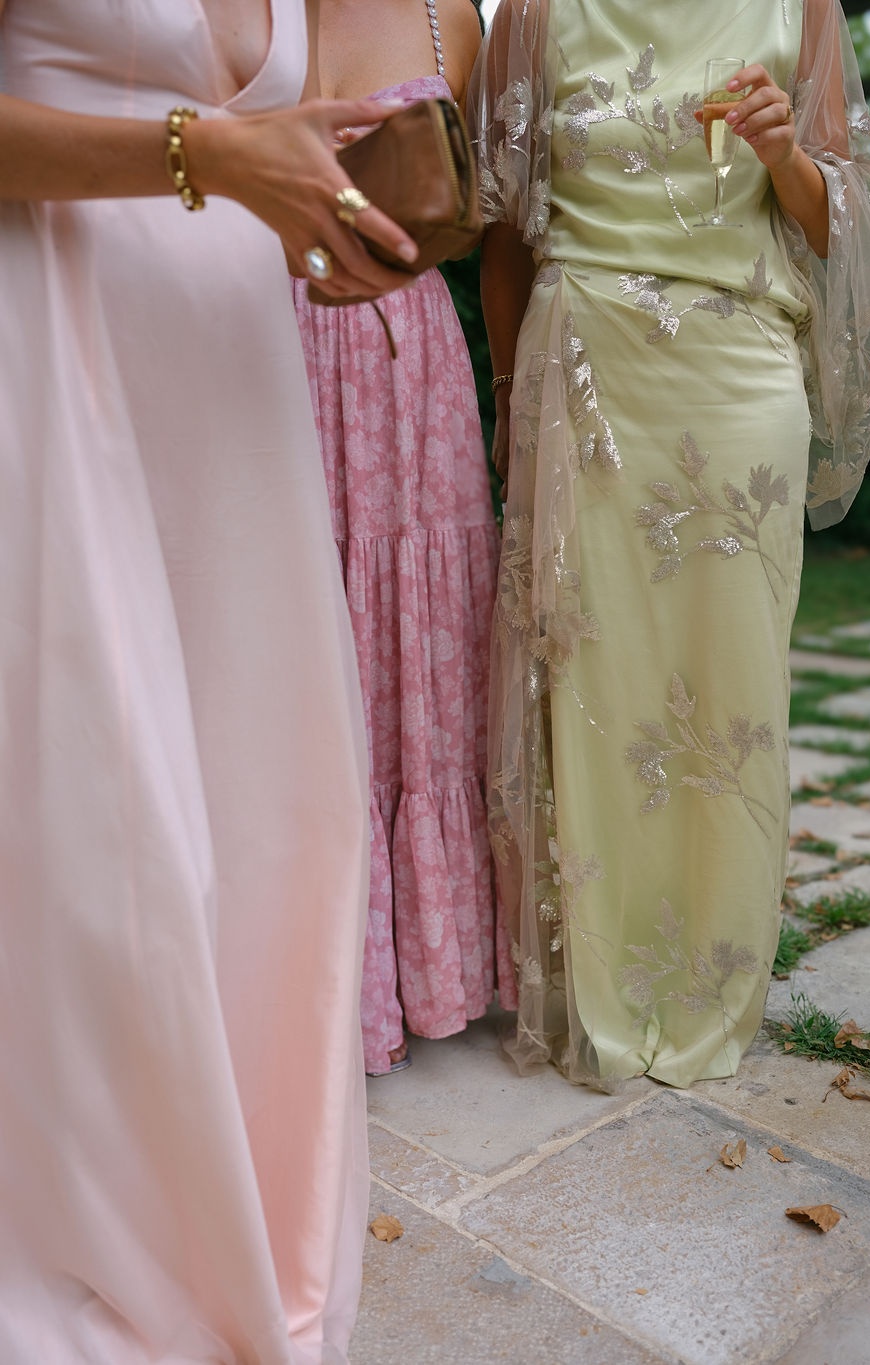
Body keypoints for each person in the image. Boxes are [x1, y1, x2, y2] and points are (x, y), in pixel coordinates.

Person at [0, 2, 418, 1360]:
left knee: (279, 815)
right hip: (57, 364)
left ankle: (228, 1220)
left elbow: (272, 155)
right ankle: (84, 1227)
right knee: (104, 837)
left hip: (234, 386)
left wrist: (327, 219)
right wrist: (211, 157)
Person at [469, 0, 870, 1090]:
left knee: (730, 694)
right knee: (593, 683)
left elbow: (839, 222)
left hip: (739, 382)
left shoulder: (801, 9)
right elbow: (504, 229)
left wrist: (783, 151)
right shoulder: (535, 11)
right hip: (587, 377)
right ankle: (602, 986)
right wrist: (512, 398)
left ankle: (710, 983)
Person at [292, 0, 515, 1079]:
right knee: (290, 626)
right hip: (259, 331)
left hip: (408, 353)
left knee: (417, 639)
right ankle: (297, 981)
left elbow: (484, 216)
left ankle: (426, 970)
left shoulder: (448, 22)